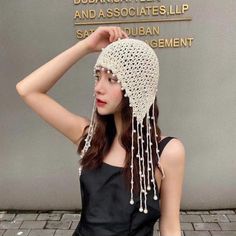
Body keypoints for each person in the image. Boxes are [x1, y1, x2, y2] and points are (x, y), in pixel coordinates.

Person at [16, 26, 185, 236]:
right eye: (98, 76)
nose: (98, 87)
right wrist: (85, 46)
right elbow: (27, 89)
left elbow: (170, 227)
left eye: (112, 79)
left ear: (138, 86)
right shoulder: (90, 138)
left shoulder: (166, 152)